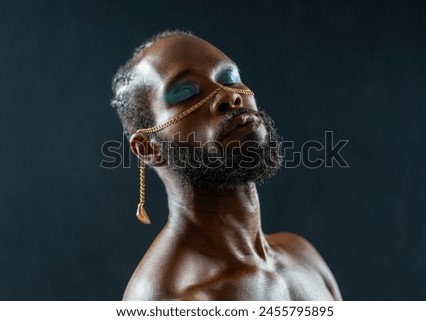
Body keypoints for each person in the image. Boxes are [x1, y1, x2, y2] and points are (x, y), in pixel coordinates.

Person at [111, 30, 342, 300]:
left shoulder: (302, 257)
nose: (228, 97)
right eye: (186, 94)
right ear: (148, 148)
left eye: (230, 78)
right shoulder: (170, 299)